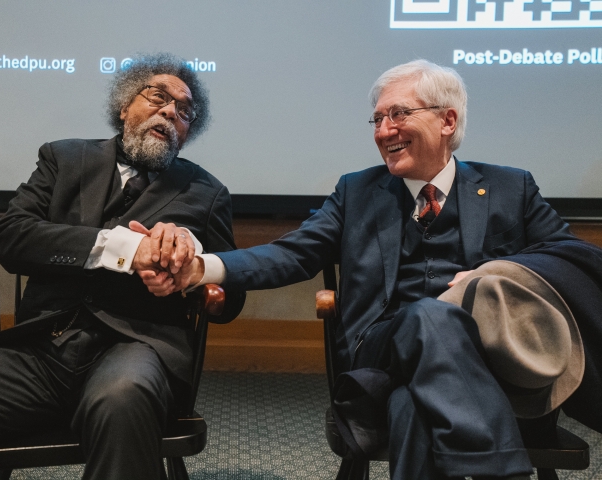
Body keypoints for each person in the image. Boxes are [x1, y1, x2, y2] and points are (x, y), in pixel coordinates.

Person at [144, 60, 581, 479]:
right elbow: (290, 254)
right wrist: (200, 267)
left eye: (398, 114)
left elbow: (571, 258)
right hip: (380, 355)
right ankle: (499, 471)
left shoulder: (510, 187)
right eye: (377, 120)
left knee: (411, 409)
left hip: (488, 362)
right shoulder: (358, 191)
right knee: (430, 314)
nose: (384, 131)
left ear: (447, 121)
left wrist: (497, 274)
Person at [0, 52, 244, 480]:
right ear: (125, 106)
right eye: (158, 96)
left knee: (122, 400)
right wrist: (123, 248)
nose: (170, 111)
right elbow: (11, 236)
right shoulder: (64, 158)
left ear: (187, 133)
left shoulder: (205, 191)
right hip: (39, 348)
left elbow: (231, 295)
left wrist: (191, 264)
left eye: (184, 111)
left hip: (136, 349)